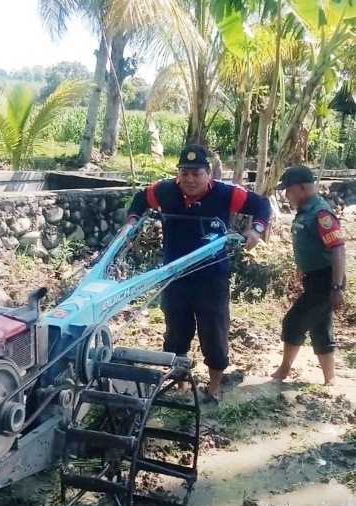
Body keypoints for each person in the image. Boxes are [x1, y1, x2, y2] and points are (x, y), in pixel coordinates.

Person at [127, 144, 271, 402]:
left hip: (211, 278)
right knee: (176, 331)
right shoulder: (165, 190)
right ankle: (181, 385)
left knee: (214, 333)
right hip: (175, 276)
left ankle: (214, 387)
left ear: (209, 174)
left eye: (197, 174)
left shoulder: (227, 194)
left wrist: (255, 230)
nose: (190, 180)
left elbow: (261, 205)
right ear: (178, 173)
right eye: (185, 173)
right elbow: (140, 200)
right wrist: (132, 221)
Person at [271, 165, 346, 386]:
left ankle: (283, 371)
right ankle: (329, 379)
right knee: (320, 326)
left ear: (302, 187)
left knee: (293, 322)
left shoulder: (321, 213)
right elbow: (311, 246)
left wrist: (336, 287)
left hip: (326, 280)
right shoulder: (306, 211)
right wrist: (302, 267)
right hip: (315, 278)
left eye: (288, 190)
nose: (286, 195)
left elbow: (338, 249)